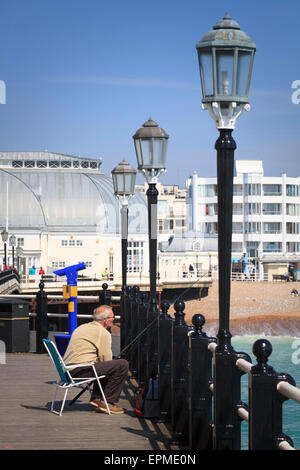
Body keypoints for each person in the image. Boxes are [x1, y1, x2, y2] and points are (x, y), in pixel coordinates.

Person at [63, 304, 128, 414]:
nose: (114, 320)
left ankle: (97, 398)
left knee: (105, 365)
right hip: (79, 370)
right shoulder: (103, 333)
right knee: (122, 364)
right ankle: (109, 402)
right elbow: (106, 360)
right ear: (106, 320)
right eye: (113, 318)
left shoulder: (82, 327)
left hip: (68, 370)